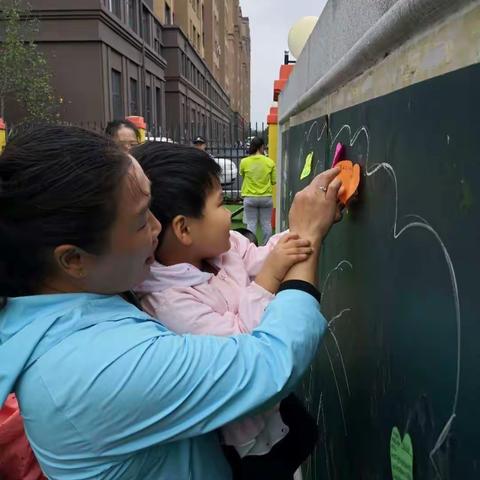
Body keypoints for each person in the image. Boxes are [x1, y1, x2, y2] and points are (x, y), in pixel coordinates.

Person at [0, 125, 341, 479]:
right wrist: (308, 235)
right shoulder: (93, 367)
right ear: (73, 260)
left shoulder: (88, 302)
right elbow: (268, 364)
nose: (156, 229)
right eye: (139, 221)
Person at [132, 142, 321, 479]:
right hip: (245, 441)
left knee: (303, 437)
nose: (228, 213)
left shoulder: (227, 247)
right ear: (184, 229)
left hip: (277, 410)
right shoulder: (169, 304)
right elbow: (246, 348)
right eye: (220, 202)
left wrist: (301, 228)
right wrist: (268, 279)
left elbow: (262, 256)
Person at [239, 137, 276, 245]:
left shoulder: (244, 162)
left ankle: (251, 246)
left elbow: (242, 175)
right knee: (266, 224)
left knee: (251, 224)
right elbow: (274, 181)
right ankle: (266, 247)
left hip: (250, 198)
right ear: (261, 147)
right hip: (266, 198)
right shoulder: (270, 162)